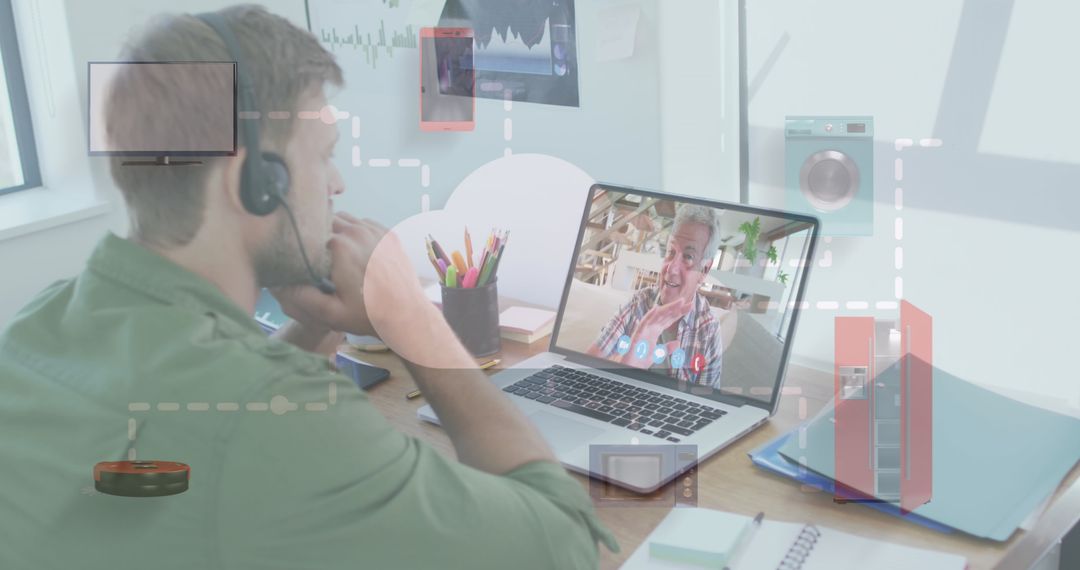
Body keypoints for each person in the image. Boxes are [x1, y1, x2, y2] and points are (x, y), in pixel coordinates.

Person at [0, 6, 615, 569]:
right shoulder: (281, 424)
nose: (338, 183)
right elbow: (563, 543)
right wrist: (414, 321)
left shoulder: (39, 327)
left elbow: (193, 445)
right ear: (255, 183)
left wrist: (316, 322)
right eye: (324, 156)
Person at [587, 204, 724, 387]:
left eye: (688, 257)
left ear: (704, 270)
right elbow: (586, 368)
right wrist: (627, 363)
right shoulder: (639, 303)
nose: (672, 268)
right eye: (671, 252)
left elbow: (707, 406)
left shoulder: (708, 330)